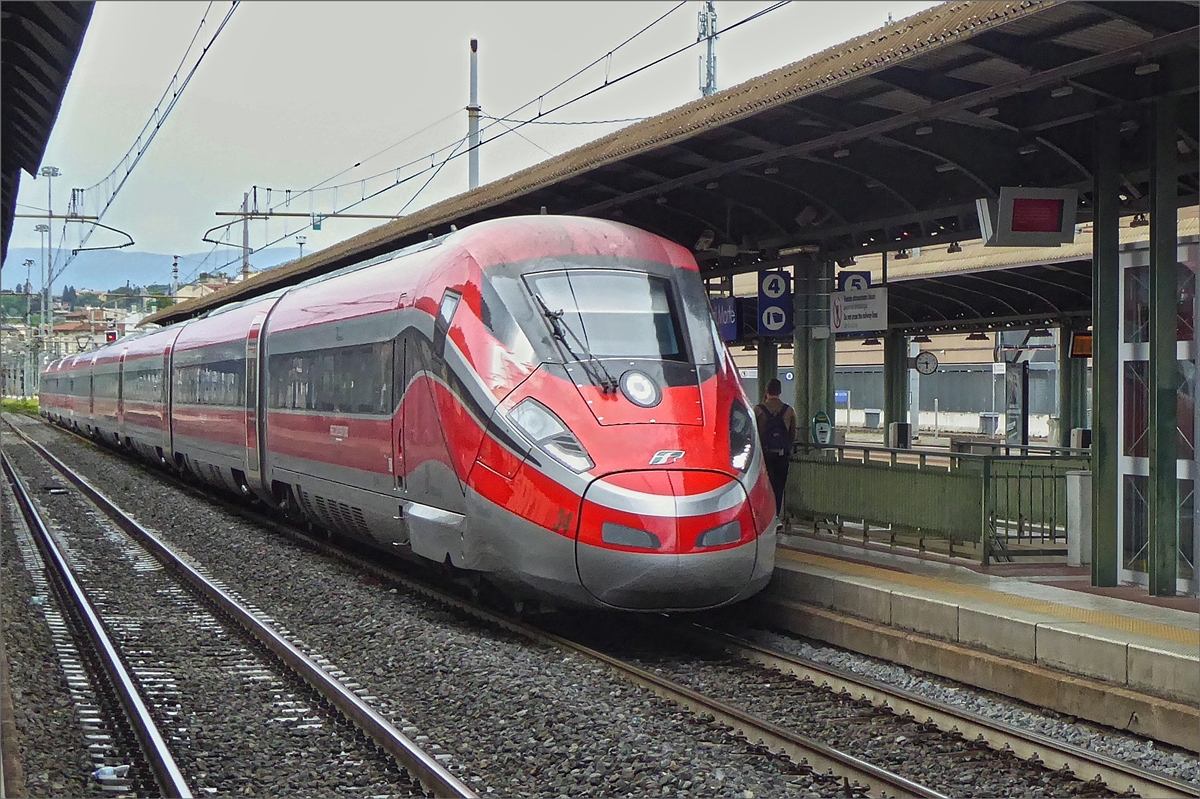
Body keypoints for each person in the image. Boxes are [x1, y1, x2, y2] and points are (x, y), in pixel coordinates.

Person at [754, 378, 796, 520]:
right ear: (780, 392)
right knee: (779, 487)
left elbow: (752, 435)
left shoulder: (758, 410)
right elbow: (792, 436)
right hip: (781, 456)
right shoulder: (789, 411)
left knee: (764, 486)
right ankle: (776, 516)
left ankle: (763, 517)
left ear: (766, 392)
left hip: (764, 457)